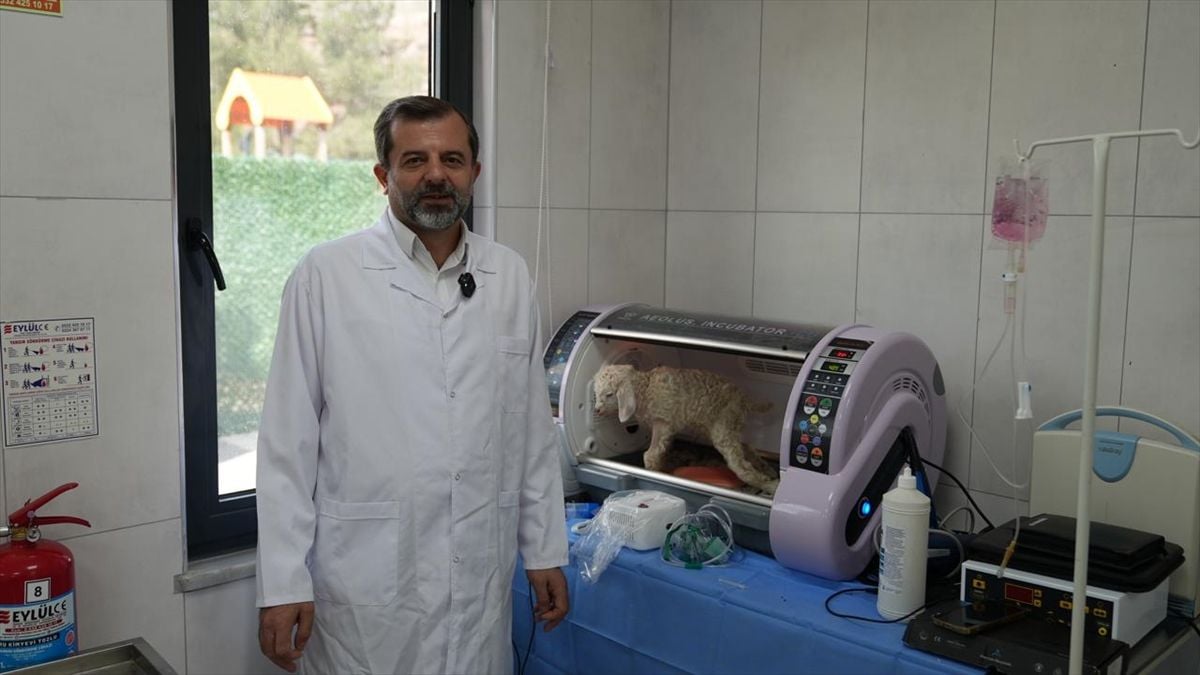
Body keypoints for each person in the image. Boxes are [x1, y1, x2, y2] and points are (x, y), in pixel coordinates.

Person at [255, 96, 570, 674]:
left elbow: (529, 428)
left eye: (452, 159)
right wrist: (282, 582)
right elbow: (286, 444)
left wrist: (544, 548)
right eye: (414, 160)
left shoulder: (507, 275)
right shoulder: (326, 275)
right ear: (384, 176)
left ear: (474, 172)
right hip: (365, 582)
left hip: (477, 578)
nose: (435, 175)